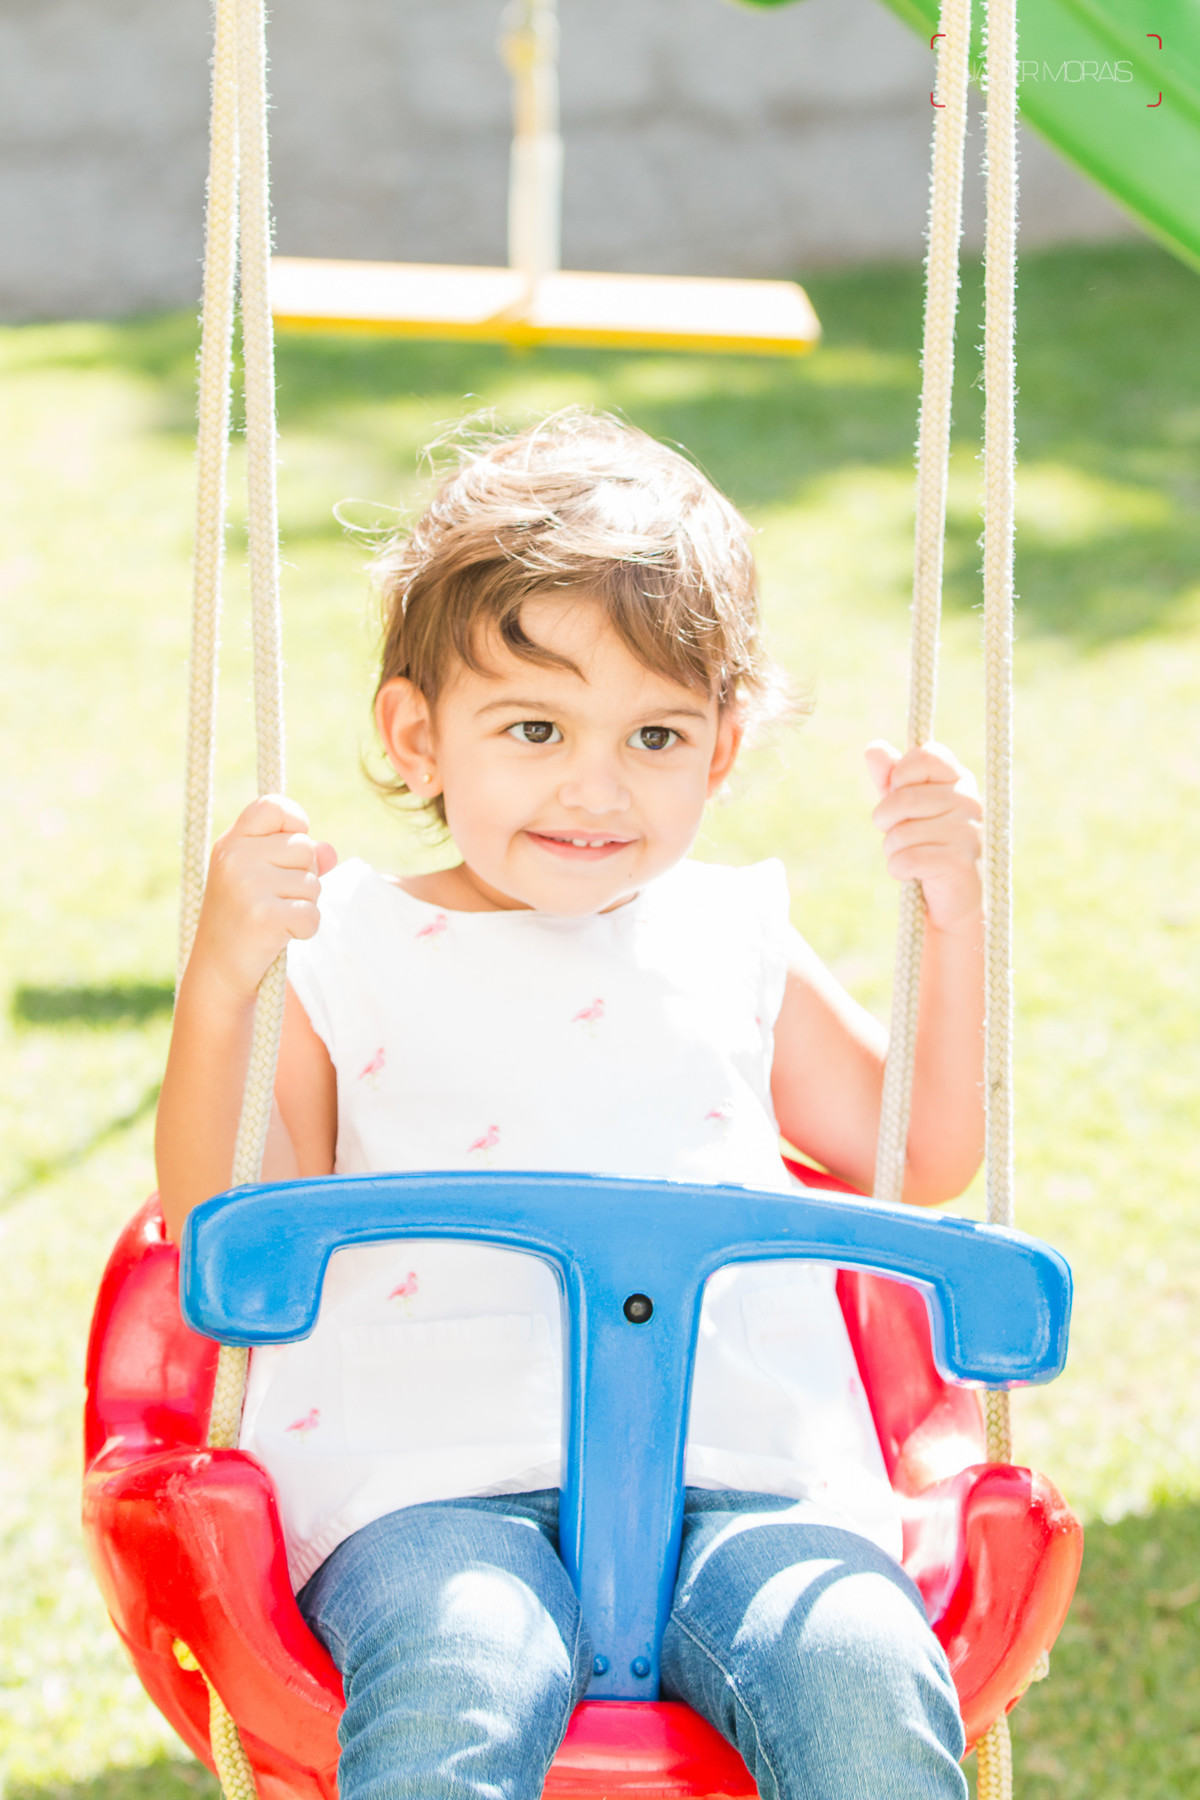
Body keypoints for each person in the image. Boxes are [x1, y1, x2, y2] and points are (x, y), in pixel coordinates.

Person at [155, 410, 985, 1800]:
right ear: (417, 736)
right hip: (428, 1480)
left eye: (655, 734)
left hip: (748, 1468)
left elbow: (922, 1154)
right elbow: (226, 1223)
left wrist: (953, 921)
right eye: (534, 727)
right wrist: (224, 980)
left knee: (863, 1675)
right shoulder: (341, 949)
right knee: (465, 1671)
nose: (595, 788)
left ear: (721, 753)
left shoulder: (732, 937)